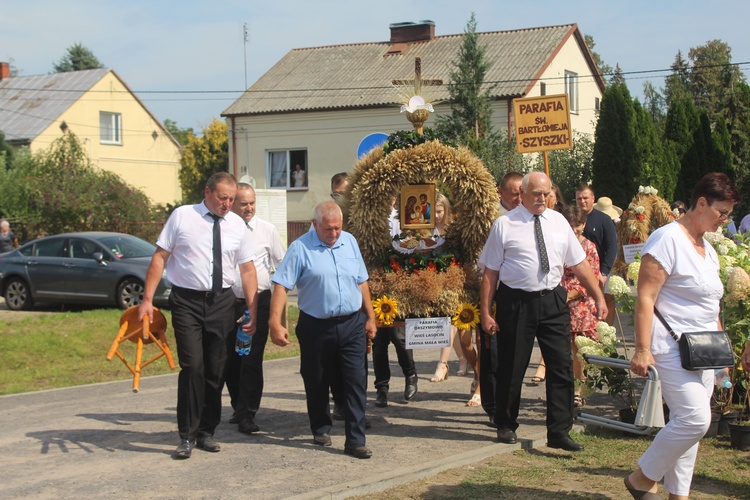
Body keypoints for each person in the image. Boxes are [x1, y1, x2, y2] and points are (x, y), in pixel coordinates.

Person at [625, 173, 740, 500]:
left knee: (688, 428)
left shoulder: (707, 248)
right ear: (701, 203)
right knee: (694, 420)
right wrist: (642, 349)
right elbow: (645, 297)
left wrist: (722, 358)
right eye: (722, 212)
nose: (725, 220)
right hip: (671, 347)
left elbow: (711, 305)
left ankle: (679, 495)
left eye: (729, 214)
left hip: (705, 352)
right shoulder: (667, 239)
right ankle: (641, 478)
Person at [479, 171, 606, 451]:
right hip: (516, 302)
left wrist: (599, 296)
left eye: (546, 193)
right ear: (522, 194)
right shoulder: (504, 225)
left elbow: (580, 264)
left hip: (553, 301)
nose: (541, 198)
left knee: (561, 366)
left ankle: (559, 431)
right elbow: (490, 272)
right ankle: (506, 423)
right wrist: (486, 312)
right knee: (513, 366)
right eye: (535, 193)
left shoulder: (559, 221)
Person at [138, 172, 259, 460]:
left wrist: (253, 310)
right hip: (187, 301)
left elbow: (248, 269)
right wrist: (146, 300)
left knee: (216, 370)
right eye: (222, 198)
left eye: (231, 199)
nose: (227, 204)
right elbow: (160, 257)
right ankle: (187, 435)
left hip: (222, 303)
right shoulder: (183, 216)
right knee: (193, 366)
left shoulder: (237, 226)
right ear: (207, 192)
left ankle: (207, 431)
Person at [269, 201, 377, 459]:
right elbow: (282, 285)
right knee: (316, 379)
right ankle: (320, 426)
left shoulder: (349, 241)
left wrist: (370, 317)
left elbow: (361, 281)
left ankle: (355, 440)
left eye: (338, 228)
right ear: (315, 224)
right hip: (316, 325)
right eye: (328, 229)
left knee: (355, 381)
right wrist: (275, 322)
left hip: (351, 323)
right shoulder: (300, 248)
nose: (334, 234)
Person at [222, 184, 286, 434]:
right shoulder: (224, 228)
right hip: (228, 302)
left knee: (250, 358)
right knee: (229, 358)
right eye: (243, 203)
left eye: (252, 203)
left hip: (258, 302)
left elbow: (282, 264)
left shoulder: (266, 230)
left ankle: (248, 412)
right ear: (232, 203)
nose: (248, 208)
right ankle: (237, 405)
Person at [478, 171, 524, 421]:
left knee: (514, 350)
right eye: (514, 193)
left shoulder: (528, 216)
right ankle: (493, 404)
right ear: (500, 193)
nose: (519, 199)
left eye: (521, 193)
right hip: (492, 289)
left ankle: (508, 403)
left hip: (518, 293)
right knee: (492, 349)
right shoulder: (489, 219)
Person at [373, 195, 417, 407]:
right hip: (377, 278)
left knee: (399, 336)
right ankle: (382, 387)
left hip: (398, 278)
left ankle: (411, 376)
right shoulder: (372, 214)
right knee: (379, 340)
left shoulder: (404, 216)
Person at [559, 206, 600, 407]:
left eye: (578, 225)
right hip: (559, 301)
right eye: (571, 225)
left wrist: (571, 294)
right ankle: (566, 387)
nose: (575, 229)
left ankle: (578, 388)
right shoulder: (559, 244)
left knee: (578, 349)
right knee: (564, 348)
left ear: (584, 225)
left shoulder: (589, 248)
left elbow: (590, 278)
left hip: (581, 304)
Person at [576, 185, 618, 325]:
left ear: (592, 198)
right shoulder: (570, 218)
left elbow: (611, 247)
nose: (582, 201)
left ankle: (607, 333)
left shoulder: (604, 219)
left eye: (585, 198)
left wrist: (604, 272)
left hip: (599, 269)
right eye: (579, 198)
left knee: (605, 299)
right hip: (576, 269)